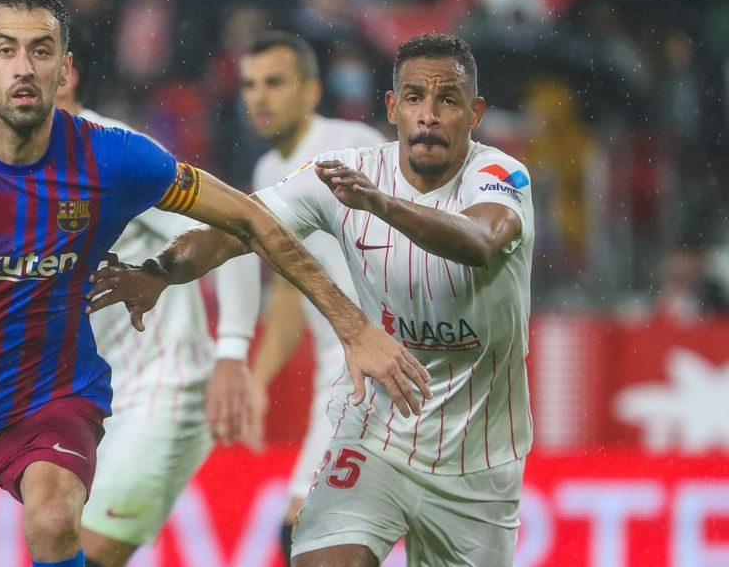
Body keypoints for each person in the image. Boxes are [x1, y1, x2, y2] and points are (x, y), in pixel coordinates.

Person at [0, 0, 429, 567]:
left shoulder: (112, 156)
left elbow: (251, 218)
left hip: (53, 399)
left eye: (41, 51)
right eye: (6, 49)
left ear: (64, 67)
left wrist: (354, 330)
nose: (24, 67)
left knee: (53, 519)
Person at [91, 33, 533, 567]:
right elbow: (239, 230)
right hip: (377, 436)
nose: (429, 116)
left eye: (448, 100)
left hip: (478, 462)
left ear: (475, 111)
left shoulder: (499, 175)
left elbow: (478, 242)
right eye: (414, 98)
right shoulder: (337, 171)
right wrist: (160, 271)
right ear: (393, 108)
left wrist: (380, 204)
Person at [54, 61, 237, 567]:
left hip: (165, 386)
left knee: (92, 555)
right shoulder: (15, 170)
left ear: (65, 75)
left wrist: (233, 351)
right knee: (57, 545)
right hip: (88, 401)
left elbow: (233, 225)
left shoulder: (116, 154)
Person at [214, 32, 386, 564]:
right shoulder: (268, 172)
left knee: (310, 534)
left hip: (377, 369)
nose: (259, 97)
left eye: (275, 83)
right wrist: (255, 381)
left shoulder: (352, 146)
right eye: (250, 85)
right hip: (340, 378)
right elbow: (289, 293)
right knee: (318, 539)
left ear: (311, 91)